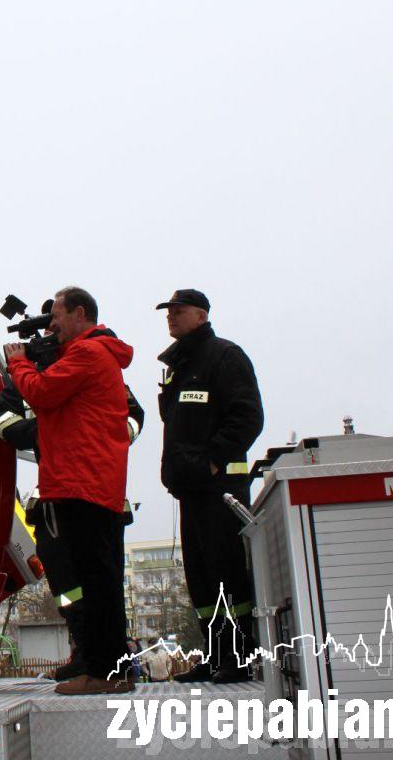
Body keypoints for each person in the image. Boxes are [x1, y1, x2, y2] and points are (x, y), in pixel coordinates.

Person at [5, 286, 135, 696]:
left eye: (57, 315)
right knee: (101, 581)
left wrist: (18, 364)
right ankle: (108, 669)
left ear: (80, 313)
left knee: (97, 583)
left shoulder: (88, 354)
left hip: (82, 484)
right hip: (90, 484)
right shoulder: (95, 355)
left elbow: (42, 392)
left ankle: (102, 672)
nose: (52, 325)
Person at [0, 350, 145, 683]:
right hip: (53, 492)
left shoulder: (90, 368)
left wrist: (103, 437)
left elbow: (133, 417)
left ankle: (107, 659)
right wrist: (47, 430)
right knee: (64, 582)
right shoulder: (28, 381)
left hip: (97, 485)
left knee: (100, 578)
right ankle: (84, 652)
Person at [155, 289, 264, 683]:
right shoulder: (178, 365)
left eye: (178, 312)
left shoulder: (224, 356)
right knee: (201, 579)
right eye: (168, 312)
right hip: (190, 489)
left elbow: (248, 417)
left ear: (201, 316)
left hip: (221, 490)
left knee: (226, 574)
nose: (171, 318)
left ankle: (237, 658)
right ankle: (216, 655)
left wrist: (213, 460)